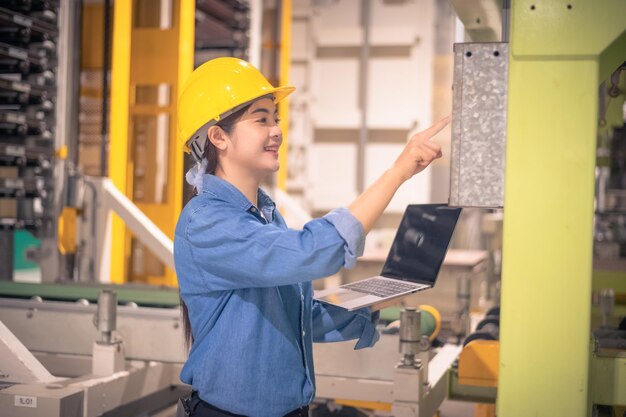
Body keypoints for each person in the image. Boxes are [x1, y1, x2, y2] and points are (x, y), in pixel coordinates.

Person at [174, 57, 449, 417]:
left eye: (276, 117)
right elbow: (312, 252)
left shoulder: (266, 214)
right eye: (261, 119)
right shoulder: (205, 222)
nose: (276, 130)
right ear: (218, 136)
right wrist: (397, 173)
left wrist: (373, 302)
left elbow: (297, 317)